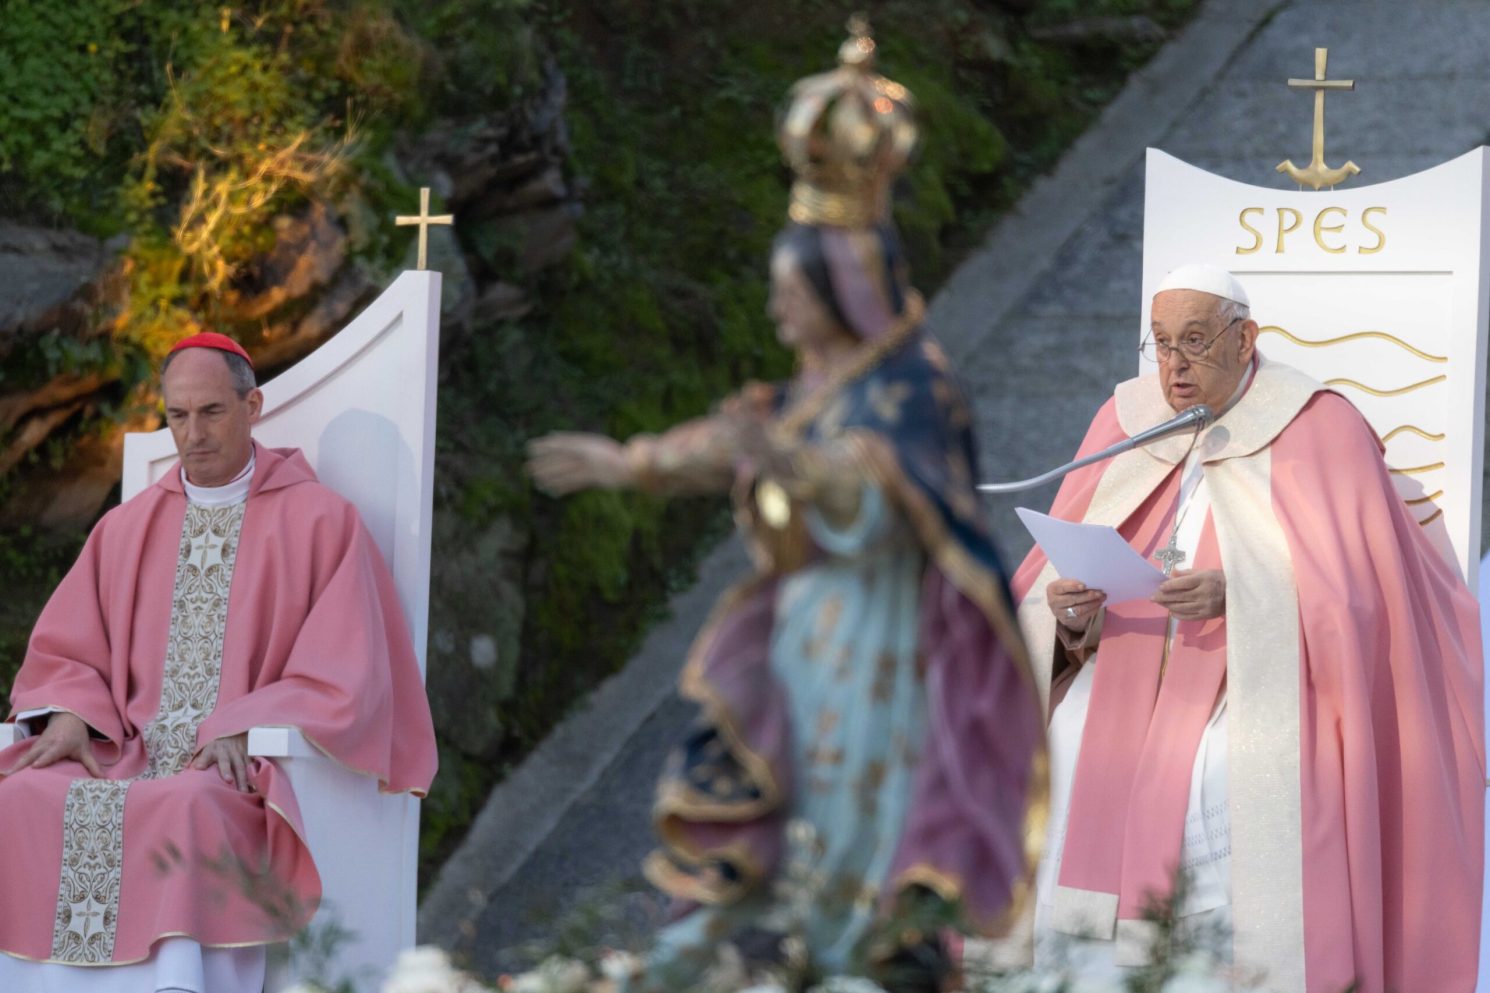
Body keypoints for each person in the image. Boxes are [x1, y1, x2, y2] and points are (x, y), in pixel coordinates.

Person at [526, 22, 1045, 993]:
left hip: (882, 639)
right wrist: (627, 462)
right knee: (787, 796)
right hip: (805, 627)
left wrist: (792, 467)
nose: (775, 315)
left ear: (834, 294)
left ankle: (857, 953)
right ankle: (786, 951)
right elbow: (729, 443)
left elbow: (878, 479)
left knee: (857, 805)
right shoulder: (814, 388)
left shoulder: (908, 388)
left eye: (787, 296)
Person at [1008, 264, 1483, 992]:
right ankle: (1089, 970)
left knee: (1218, 769)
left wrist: (1241, 594)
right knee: (1066, 742)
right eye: (1161, 343)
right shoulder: (1124, 421)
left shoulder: (1318, 426)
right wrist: (1074, 620)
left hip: (1256, 678)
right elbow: (1054, 574)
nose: (1175, 366)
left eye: (1195, 341)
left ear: (1245, 337)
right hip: (1126, 669)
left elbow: (1361, 598)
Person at [0, 333, 438, 993]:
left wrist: (247, 719)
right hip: (131, 751)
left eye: (212, 411)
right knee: (21, 793)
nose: (193, 433)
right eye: (178, 415)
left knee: (187, 804)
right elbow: (71, 647)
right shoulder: (125, 527)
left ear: (252, 404)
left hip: (232, 769)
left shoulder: (321, 521)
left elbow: (345, 671)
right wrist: (66, 713)